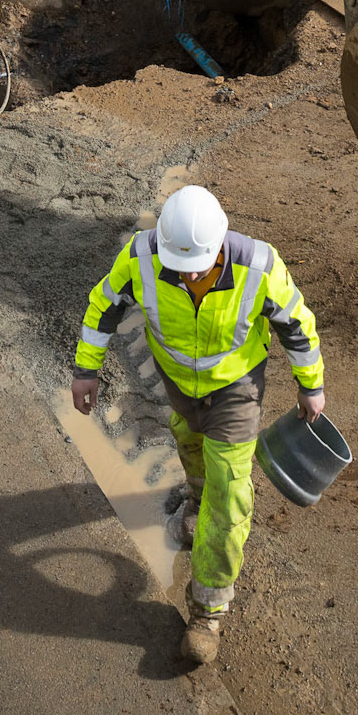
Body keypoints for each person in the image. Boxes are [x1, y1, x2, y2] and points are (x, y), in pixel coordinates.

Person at [71, 183, 324, 666]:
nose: (187, 278)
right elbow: (102, 306)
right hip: (177, 384)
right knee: (188, 441)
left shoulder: (259, 265)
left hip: (235, 390)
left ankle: (208, 611)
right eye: (179, 270)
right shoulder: (142, 256)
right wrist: (86, 370)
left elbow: (296, 322)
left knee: (230, 495)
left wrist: (311, 384)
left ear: (220, 248)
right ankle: (195, 496)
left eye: (198, 269)